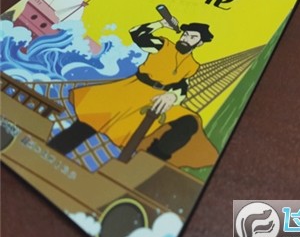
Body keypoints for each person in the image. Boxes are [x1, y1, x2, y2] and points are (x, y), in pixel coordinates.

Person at [48, 16, 218, 168]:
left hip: (157, 99)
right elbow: (137, 33)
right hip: (132, 90)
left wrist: (172, 96)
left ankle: (146, 164)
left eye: (193, 37)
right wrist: (160, 24)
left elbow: (182, 86)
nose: (186, 38)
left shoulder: (193, 65)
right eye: (186, 34)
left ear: (200, 43)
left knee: (188, 123)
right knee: (90, 122)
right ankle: (51, 152)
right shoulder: (163, 45)